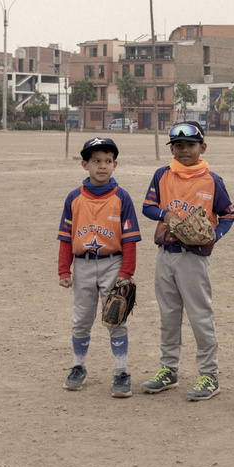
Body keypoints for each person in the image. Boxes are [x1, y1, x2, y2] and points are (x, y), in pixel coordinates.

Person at [140, 121, 234, 400]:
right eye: (178, 145)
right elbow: (148, 206)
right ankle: (168, 369)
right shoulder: (162, 175)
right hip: (165, 255)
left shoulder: (212, 180)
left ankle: (209, 375)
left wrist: (214, 235)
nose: (184, 151)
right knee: (168, 315)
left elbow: (228, 213)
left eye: (190, 145)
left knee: (199, 316)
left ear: (202, 147)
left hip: (194, 258)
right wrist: (164, 215)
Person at [56, 137, 141, 397]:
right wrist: (63, 270)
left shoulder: (122, 197)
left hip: (112, 264)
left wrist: (126, 274)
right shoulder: (74, 198)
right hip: (82, 266)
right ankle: (79, 367)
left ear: (115, 165)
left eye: (107, 161)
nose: (102, 166)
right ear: (84, 165)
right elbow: (65, 238)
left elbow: (130, 240)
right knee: (81, 320)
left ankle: (121, 372)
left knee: (116, 319)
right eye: (96, 161)